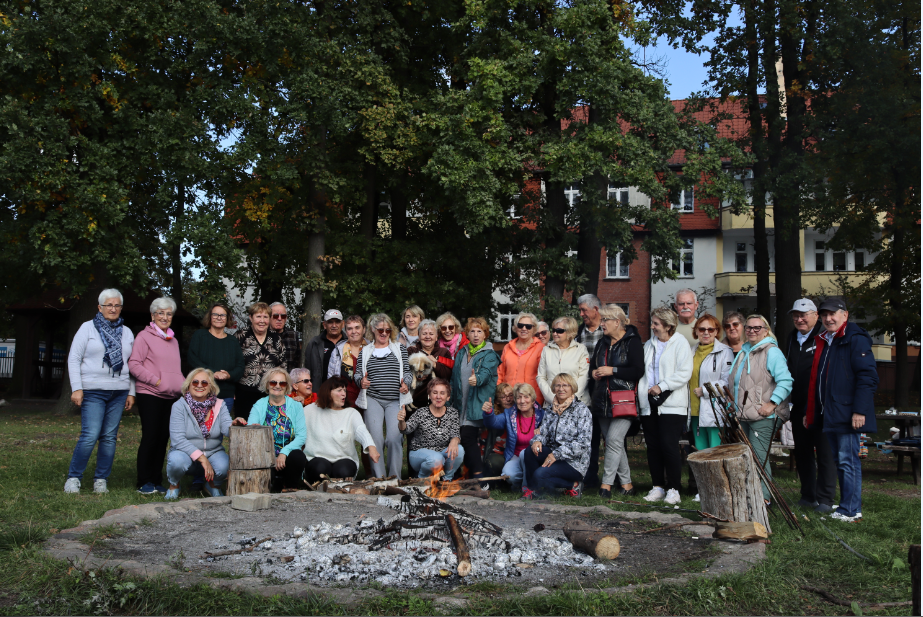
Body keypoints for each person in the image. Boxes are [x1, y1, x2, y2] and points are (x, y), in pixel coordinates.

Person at [805, 298, 878, 523]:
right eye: (824, 315)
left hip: (848, 412)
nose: (828, 318)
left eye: (833, 314)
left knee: (848, 461)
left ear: (845, 315)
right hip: (832, 411)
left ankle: (851, 510)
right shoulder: (828, 340)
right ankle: (847, 503)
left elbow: (868, 377)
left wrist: (859, 411)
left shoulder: (854, 339)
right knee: (840, 460)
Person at [64, 289, 136, 494]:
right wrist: (77, 388)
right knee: (90, 435)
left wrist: (131, 392)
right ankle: (74, 478)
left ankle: (101, 480)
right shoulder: (87, 328)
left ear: (121, 308)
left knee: (109, 437)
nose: (113, 309)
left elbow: (130, 364)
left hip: (119, 391)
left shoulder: (127, 332)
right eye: (108, 305)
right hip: (93, 390)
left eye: (117, 305)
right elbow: (74, 359)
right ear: (100, 307)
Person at [729, 314, 794, 505]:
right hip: (743, 415)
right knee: (748, 458)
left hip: (764, 416)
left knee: (758, 457)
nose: (752, 331)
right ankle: (751, 497)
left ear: (766, 330)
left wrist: (772, 404)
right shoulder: (744, 351)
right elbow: (736, 384)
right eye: (748, 327)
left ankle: (764, 499)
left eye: (757, 328)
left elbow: (786, 381)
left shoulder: (771, 351)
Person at [785, 299, 836, 514]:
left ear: (816, 316)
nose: (800, 319)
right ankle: (808, 496)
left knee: (824, 453)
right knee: (803, 453)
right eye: (796, 315)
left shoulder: (825, 337)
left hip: (820, 406)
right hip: (797, 405)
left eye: (804, 314)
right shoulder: (790, 337)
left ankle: (825, 498)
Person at [128, 296, 184, 495]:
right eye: (161, 313)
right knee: (150, 437)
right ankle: (143, 482)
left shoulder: (174, 340)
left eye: (169, 313)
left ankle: (156, 480)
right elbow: (134, 364)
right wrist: (156, 381)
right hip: (150, 393)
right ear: (153, 315)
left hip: (171, 396)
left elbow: (175, 369)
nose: (165, 317)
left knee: (163, 438)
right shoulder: (144, 337)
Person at [638, 307, 693, 505]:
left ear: (669, 326)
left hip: (672, 405)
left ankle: (674, 489)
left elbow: (684, 372)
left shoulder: (680, 343)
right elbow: (643, 373)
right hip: (649, 404)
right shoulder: (649, 345)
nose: (652, 327)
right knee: (653, 447)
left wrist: (661, 387)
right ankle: (657, 487)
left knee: (669, 446)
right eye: (653, 323)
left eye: (656, 324)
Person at [588, 304, 644, 498]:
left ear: (617, 322)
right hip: (602, 401)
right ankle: (627, 484)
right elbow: (593, 367)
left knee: (613, 440)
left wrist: (613, 370)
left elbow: (638, 371)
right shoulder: (602, 342)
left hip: (623, 400)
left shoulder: (632, 341)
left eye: (604, 320)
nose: (601, 323)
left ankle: (606, 485)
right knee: (613, 443)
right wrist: (594, 372)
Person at [354, 313, 413, 478]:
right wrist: (362, 382)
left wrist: (406, 384)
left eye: (388, 330)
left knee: (395, 438)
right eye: (380, 329)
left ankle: (395, 478)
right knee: (376, 439)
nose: (384, 333)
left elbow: (408, 373)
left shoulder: (399, 348)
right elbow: (358, 374)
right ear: (373, 329)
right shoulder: (365, 351)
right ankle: (379, 478)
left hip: (395, 399)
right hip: (373, 399)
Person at [232, 367, 308, 490]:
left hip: (288, 455)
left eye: (282, 383)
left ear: (286, 386)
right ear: (267, 385)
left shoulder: (296, 406)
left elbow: (301, 436)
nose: (277, 386)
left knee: (298, 456)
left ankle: (290, 488)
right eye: (273, 382)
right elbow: (251, 431)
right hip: (265, 455)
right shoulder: (259, 405)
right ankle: (273, 484)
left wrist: (284, 452)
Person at [164, 369, 232, 500]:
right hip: (184, 452)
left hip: (213, 451)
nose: (199, 385)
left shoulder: (220, 405)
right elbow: (177, 439)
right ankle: (174, 485)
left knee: (225, 466)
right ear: (188, 385)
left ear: (211, 386)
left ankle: (213, 485)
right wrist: (202, 458)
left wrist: (235, 425)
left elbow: (227, 428)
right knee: (176, 461)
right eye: (195, 382)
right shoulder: (179, 406)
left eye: (204, 383)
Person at [522, 374, 592, 498]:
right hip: (554, 455)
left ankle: (573, 484)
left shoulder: (581, 410)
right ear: (553, 388)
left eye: (565, 385)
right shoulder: (550, 409)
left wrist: (557, 454)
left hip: (574, 462)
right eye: (557, 385)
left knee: (539, 475)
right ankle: (533, 490)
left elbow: (583, 443)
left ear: (572, 388)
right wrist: (537, 441)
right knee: (530, 451)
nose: (561, 389)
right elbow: (543, 432)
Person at [449, 317, 500, 484]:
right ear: (467, 334)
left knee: (467, 438)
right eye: (472, 331)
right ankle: (463, 476)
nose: (476, 334)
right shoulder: (462, 352)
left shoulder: (490, 354)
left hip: (477, 406)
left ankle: (480, 478)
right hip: (459, 405)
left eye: (480, 331)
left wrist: (476, 379)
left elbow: (485, 374)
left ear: (485, 334)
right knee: (461, 439)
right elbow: (454, 379)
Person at [302, 376, 380, 483]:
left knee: (343, 472)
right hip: (317, 458)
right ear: (328, 393)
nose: (344, 393)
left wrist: (371, 447)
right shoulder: (310, 410)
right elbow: (295, 428)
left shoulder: (351, 413)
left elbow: (361, 430)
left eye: (344, 390)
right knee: (320, 469)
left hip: (344, 458)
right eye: (339, 390)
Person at [399, 379, 465, 480]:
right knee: (436, 459)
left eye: (442, 393)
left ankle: (446, 479)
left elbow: (455, 434)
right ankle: (421, 480)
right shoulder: (421, 412)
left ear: (448, 397)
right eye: (435, 393)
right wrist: (402, 421)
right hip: (419, 454)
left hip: (441, 453)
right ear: (429, 396)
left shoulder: (453, 413)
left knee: (459, 450)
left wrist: (454, 441)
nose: (438, 396)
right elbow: (406, 429)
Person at [483, 383, 545, 489]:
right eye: (519, 397)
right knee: (508, 475)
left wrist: (543, 431)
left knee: (525, 453)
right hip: (515, 455)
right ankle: (520, 485)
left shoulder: (542, 415)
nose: (522, 401)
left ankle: (529, 487)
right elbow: (493, 423)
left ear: (533, 399)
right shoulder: (510, 414)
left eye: (526, 397)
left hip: (536, 457)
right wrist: (489, 413)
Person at [187, 302, 245, 415]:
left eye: (223, 315)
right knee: (198, 430)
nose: (219, 318)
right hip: (202, 392)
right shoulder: (200, 336)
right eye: (215, 314)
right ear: (210, 317)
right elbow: (192, 359)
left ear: (227, 318)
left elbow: (240, 366)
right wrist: (212, 373)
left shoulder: (233, 341)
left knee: (219, 431)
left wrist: (229, 375)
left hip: (226, 395)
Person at [689, 313, 734, 454]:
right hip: (694, 411)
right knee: (700, 453)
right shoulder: (690, 352)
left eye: (711, 329)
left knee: (715, 453)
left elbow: (727, 382)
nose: (706, 333)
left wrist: (705, 390)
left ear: (716, 332)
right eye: (702, 329)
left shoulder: (725, 352)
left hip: (714, 411)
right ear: (696, 331)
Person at [234, 302, 287, 420]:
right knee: (245, 429)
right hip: (244, 393)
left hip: (269, 394)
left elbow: (282, 366)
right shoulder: (240, 336)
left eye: (265, 317)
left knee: (267, 429)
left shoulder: (276, 339)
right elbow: (231, 363)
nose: (262, 321)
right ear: (251, 318)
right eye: (258, 316)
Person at [537, 316, 589, 405]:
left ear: (570, 333)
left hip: (577, 404)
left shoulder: (581, 349)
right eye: (553, 330)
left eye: (559, 331)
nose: (555, 333)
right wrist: (552, 399)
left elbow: (583, 377)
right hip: (552, 404)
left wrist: (572, 399)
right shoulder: (546, 350)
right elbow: (541, 377)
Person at [498, 312, 545, 405]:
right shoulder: (507, 347)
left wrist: (537, 402)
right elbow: (500, 373)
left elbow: (542, 378)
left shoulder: (541, 348)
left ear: (534, 329)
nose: (524, 328)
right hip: (508, 400)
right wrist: (499, 395)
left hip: (528, 401)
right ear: (516, 327)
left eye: (528, 326)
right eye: (520, 325)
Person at [407, 319, 454, 408]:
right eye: (424, 334)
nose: (428, 336)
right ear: (419, 336)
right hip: (416, 403)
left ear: (436, 337)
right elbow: (403, 372)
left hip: (439, 404)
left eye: (431, 334)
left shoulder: (443, 352)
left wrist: (434, 364)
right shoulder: (411, 351)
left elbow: (448, 375)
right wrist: (416, 376)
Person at [328, 314, 367, 407]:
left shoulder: (372, 348)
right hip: (345, 399)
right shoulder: (338, 350)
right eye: (350, 329)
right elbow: (331, 378)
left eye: (357, 327)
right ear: (346, 332)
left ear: (364, 329)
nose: (354, 331)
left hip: (367, 398)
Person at [303, 309, 345, 388]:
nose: (334, 325)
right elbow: (307, 370)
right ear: (324, 325)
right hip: (320, 392)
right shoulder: (314, 343)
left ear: (343, 324)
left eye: (337, 322)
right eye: (330, 322)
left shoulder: (349, 343)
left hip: (343, 392)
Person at [269, 302, 301, 369]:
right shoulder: (263, 335)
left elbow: (297, 360)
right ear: (269, 317)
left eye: (283, 316)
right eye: (275, 316)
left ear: (286, 318)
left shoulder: (293, 335)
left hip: (289, 377)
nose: (279, 319)